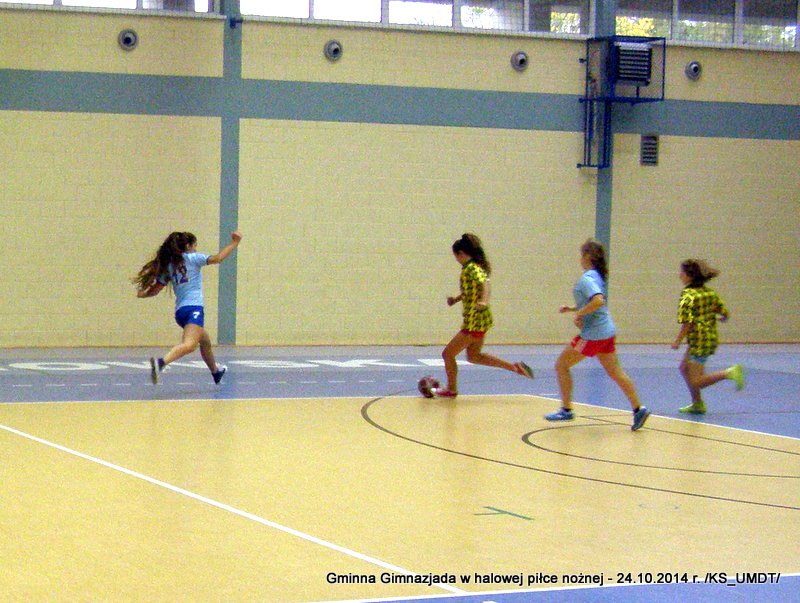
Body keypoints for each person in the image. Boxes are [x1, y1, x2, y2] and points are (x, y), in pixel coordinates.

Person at [545, 239, 650, 431]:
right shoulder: (596, 276)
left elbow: (598, 301)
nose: (580, 258)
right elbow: (591, 301)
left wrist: (579, 314)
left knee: (561, 365)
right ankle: (638, 409)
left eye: (581, 255)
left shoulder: (587, 278)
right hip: (607, 333)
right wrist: (573, 308)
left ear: (587, 256)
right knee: (615, 372)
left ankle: (566, 409)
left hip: (593, 335)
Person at [133, 230, 242, 385]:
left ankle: (216, 373)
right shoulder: (193, 258)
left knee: (205, 341)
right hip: (193, 309)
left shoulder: (170, 265)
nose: (196, 248)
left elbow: (155, 290)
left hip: (180, 312)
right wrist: (235, 242)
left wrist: (143, 294)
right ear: (188, 246)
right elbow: (218, 258)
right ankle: (161, 363)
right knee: (189, 345)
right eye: (194, 245)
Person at [435, 233, 533, 398]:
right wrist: (456, 299)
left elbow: (485, 283)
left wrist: (484, 301)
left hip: (474, 321)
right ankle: (514, 367)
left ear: (461, 253)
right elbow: (470, 290)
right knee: (474, 356)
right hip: (481, 320)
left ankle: (451, 389)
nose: (456, 260)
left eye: (456, 256)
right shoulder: (472, 268)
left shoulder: (471, 268)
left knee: (448, 354)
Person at [671, 259, 744, 414]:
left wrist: (678, 341)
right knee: (684, 368)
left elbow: (687, 322)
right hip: (708, 338)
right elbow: (723, 312)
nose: (679, 275)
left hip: (699, 341)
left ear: (690, 276)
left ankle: (729, 373)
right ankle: (697, 403)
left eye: (682, 272)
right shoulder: (709, 293)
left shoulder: (688, 295)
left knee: (695, 381)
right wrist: (722, 316)